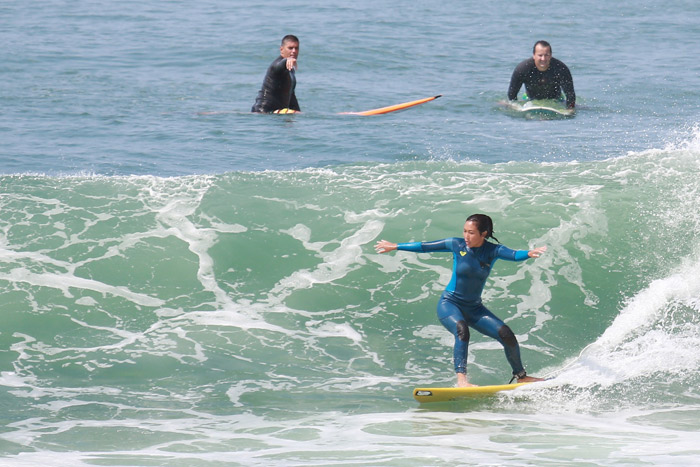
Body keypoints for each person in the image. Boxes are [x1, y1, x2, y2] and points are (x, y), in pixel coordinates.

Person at [374, 214, 546, 387]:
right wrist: (395, 246)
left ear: (483, 233)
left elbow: (514, 254)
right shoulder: (456, 245)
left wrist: (529, 254)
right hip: (450, 304)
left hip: (474, 308)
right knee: (462, 330)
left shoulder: (493, 250)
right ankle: (462, 380)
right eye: (464, 231)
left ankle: (521, 376)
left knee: (506, 335)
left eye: (471, 232)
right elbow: (424, 246)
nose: (466, 236)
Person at [508, 40, 575, 109]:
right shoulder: (523, 69)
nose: (543, 59)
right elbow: (512, 94)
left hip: (557, 100)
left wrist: (570, 109)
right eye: (540, 55)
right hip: (529, 99)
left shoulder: (561, 69)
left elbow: (570, 95)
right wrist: (514, 106)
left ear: (551, 55)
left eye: (546, 55)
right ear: (534, 55)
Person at [251, 35, 301, 113]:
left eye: (296, 48)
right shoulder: (276, 66)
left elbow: (291, 95)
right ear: (281, 50)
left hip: (275, 113)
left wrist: (299, 113)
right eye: (290, 48)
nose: (294, 51)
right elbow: (280, 66)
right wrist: (287, 60)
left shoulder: (290, 68)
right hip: (263, 112)